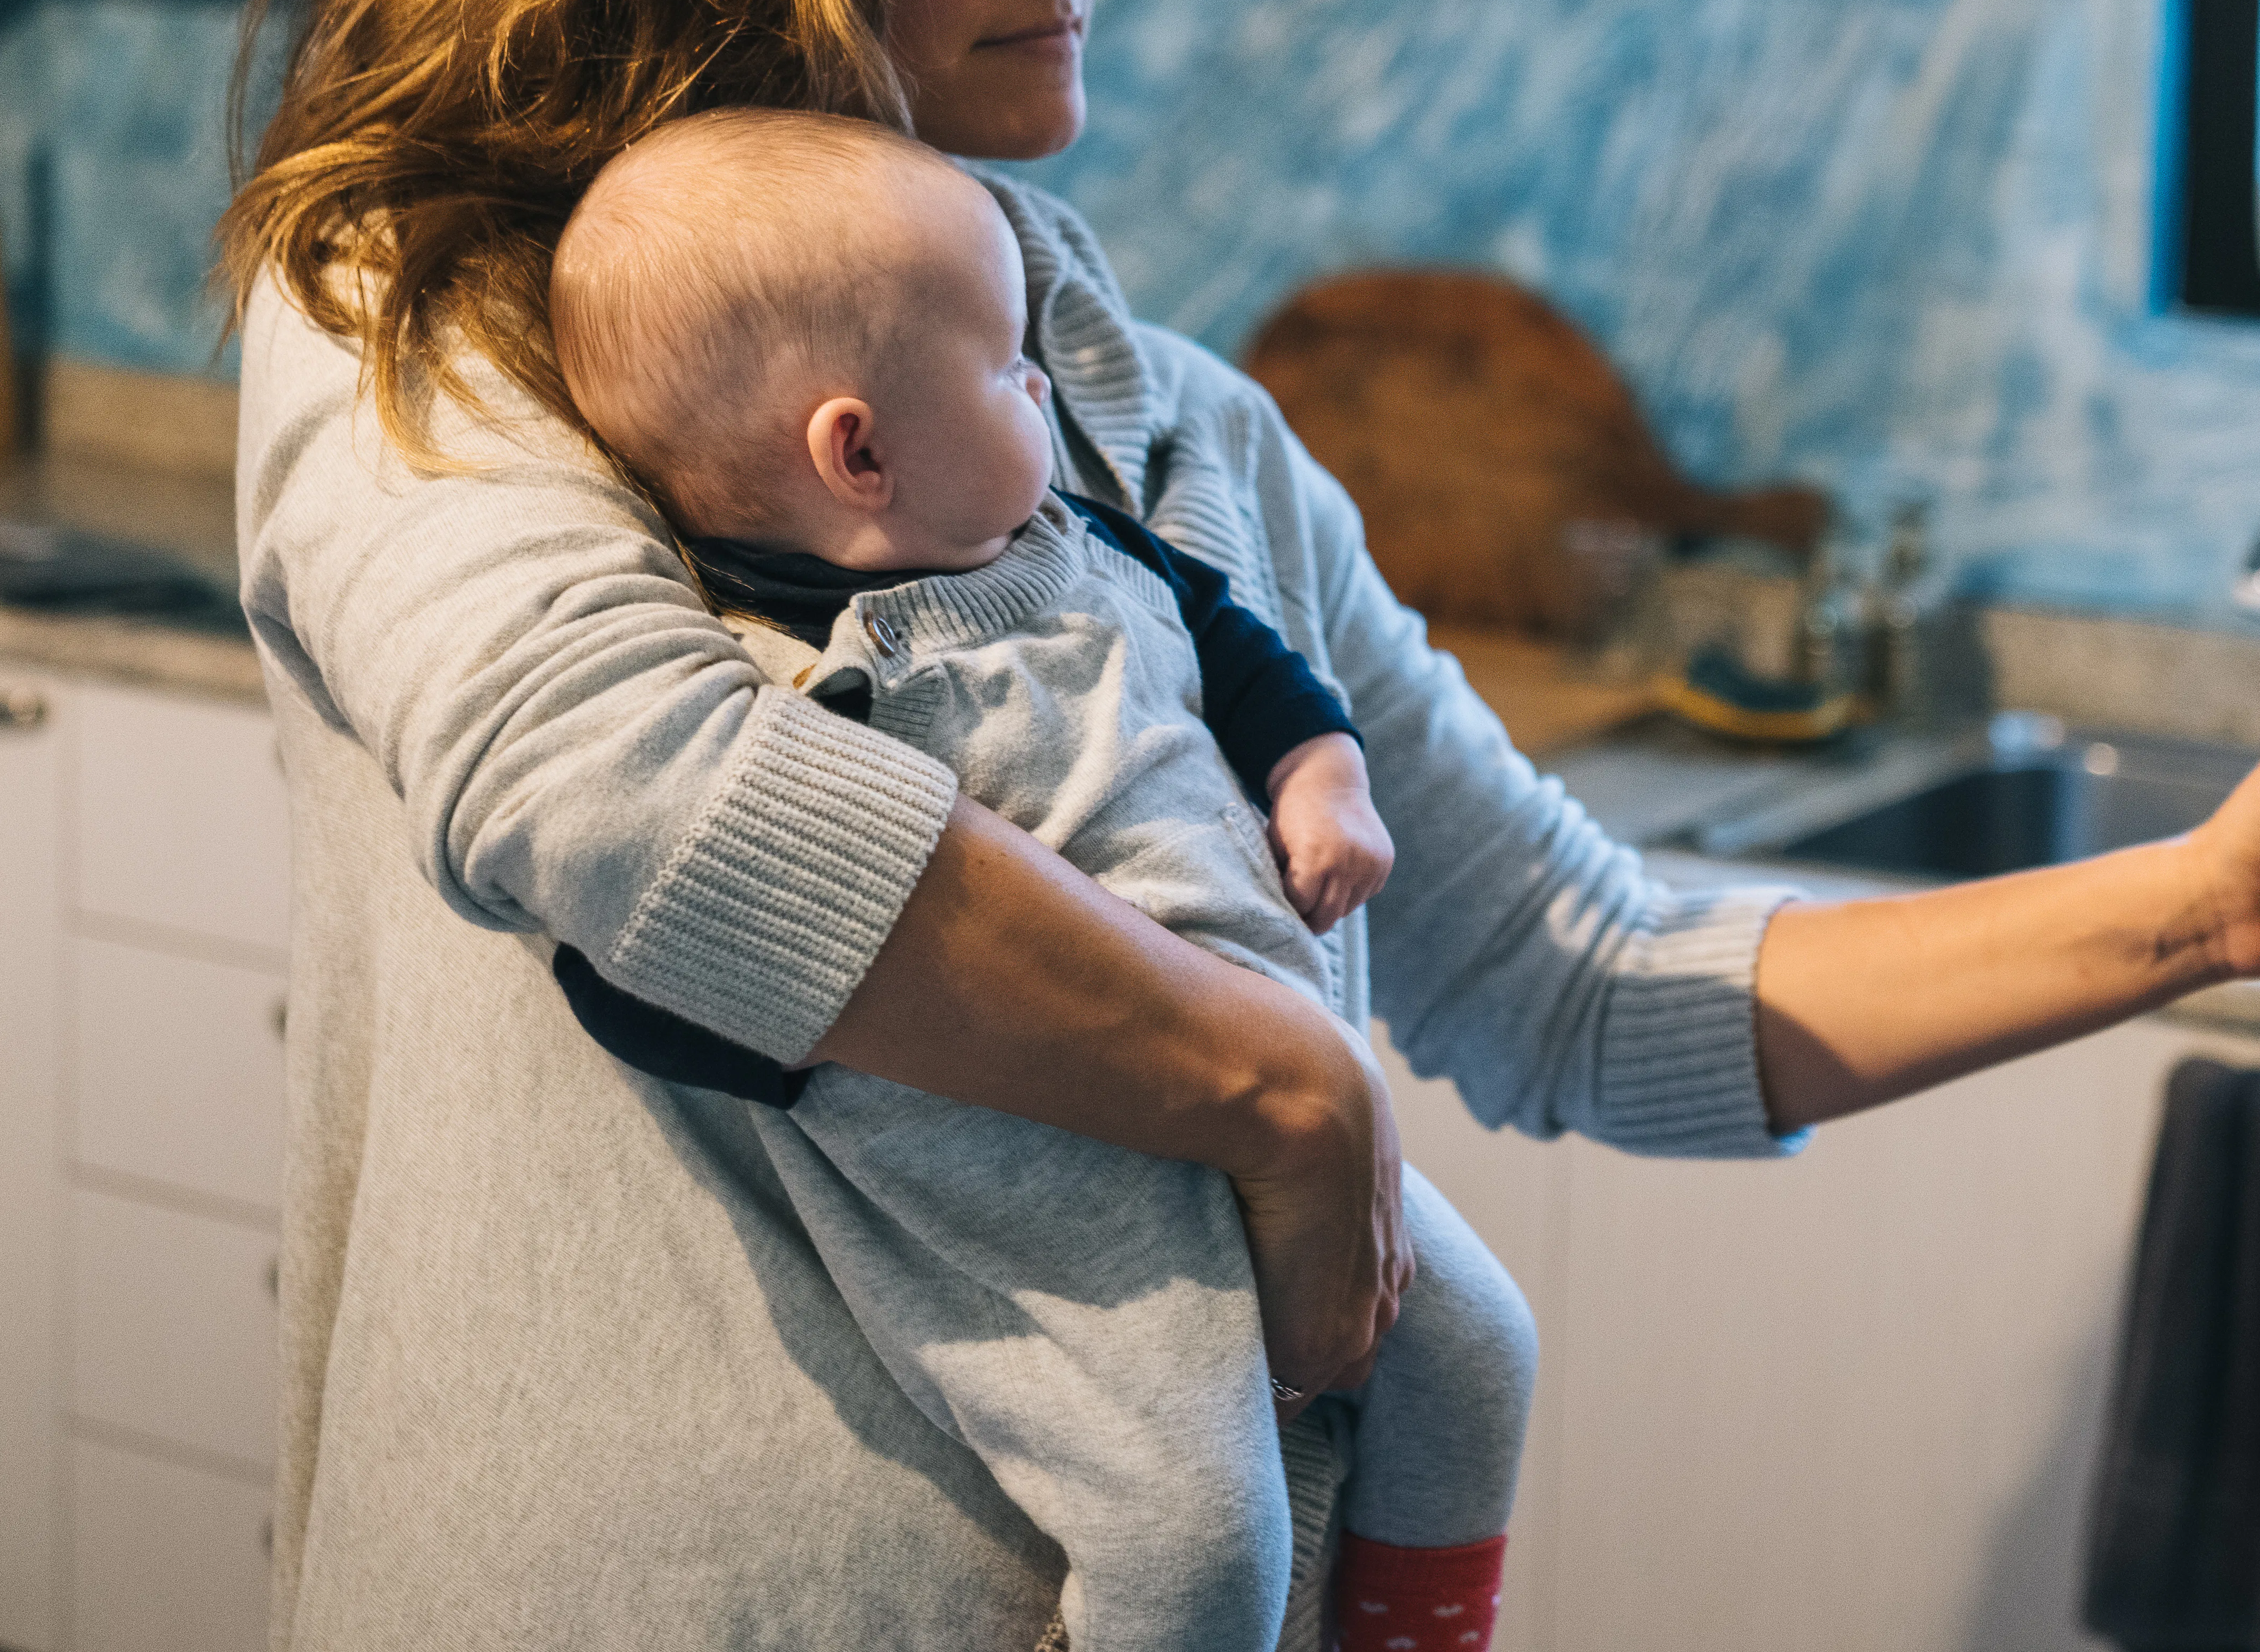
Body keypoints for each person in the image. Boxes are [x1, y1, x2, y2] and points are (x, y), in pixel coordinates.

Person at [219, 0, 2260, 1650]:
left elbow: (1575, 975)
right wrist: (1272, 1083)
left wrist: (2206, 910)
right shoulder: (422, 328)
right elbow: (611, 776)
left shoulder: (1182, 442)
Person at [545, 106, 1534, 1649]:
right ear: (860, 451)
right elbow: (651, 940)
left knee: (1483, 1352)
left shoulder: (1072, 540)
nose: (1044, 389)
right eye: (1007, 367)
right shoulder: (797, 703)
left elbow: (1237, 651)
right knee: (1200, 1542)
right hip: (1072, 1211)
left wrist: (1322, 775)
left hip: (1300, 1118)